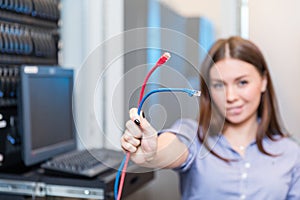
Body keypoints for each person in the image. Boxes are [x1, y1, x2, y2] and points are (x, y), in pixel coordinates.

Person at [120, 36, 300, 199]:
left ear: (263, 81)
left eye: (242, 82)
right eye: (219, 85)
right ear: (209, 90)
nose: (230, 97)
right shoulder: (194, 135)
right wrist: (152, 152)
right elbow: (173, 147)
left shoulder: (291, 153)